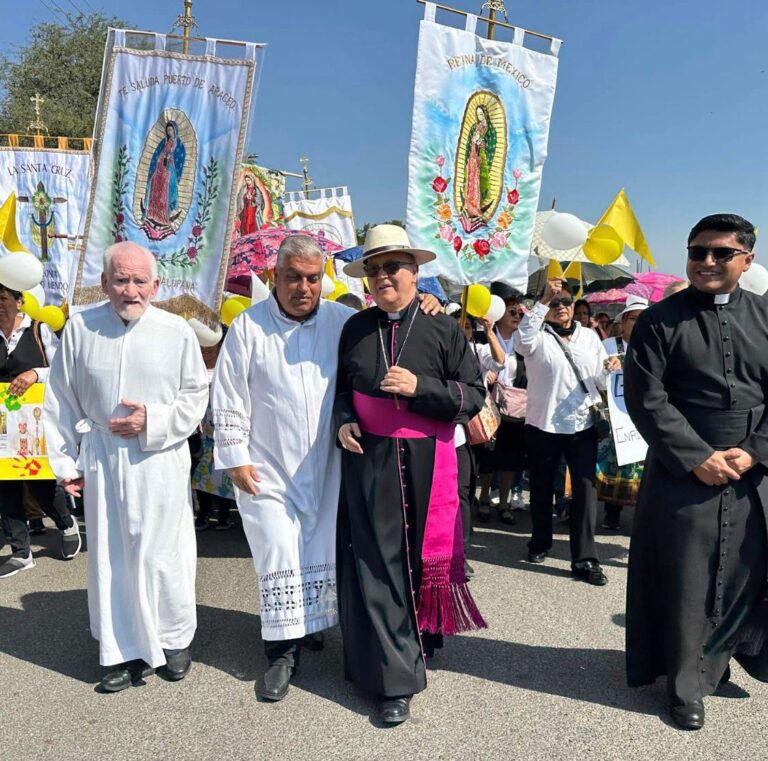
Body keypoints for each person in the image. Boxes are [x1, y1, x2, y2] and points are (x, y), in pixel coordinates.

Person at [212, 234, 441, 703]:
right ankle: (280, 652)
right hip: (268, 469)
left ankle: (312, 629)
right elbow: (229, 394)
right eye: (293, 277)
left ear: (324, 280)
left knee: (322, 554)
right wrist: (234, 455)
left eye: (313, 278)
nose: (303, 287)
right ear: (275, 277)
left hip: (330, 466)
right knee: (278, 551)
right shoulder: (249, 327)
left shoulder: (345, 322)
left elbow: (389, 332)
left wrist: (429, 303)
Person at [335, 224, 486, 724]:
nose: (383, 277)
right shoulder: (355, 328)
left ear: (415, 273)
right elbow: (340, 392)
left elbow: (473, 397)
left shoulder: (443, 328)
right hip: (371, 459)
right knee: (379, 564)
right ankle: (394, 678)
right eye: (374, 270)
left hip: (430, 460)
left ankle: (422, 634)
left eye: (393, 267)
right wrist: (344, 422)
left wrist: (422, 386)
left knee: (424, 559)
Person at [624, 213, 768, 730]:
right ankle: (684, 687)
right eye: (697, 251)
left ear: (746, 259)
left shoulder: (767, 315)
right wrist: (696, 457)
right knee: (687, 579)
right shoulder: (658, 321)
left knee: (742, 575)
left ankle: (717, 664)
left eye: (720, 253)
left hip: (753, 470)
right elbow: (646, 400)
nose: (706, 261)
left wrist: (755, 450)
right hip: (683, 469)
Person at [43, 241, 209, 692]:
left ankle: (173, 640)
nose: (130, 291)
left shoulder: (175, 331)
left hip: (158, 458)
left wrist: (150, 420)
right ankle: (119, 649)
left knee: (163, 552)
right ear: (104, 282)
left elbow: (195, 397)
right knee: (112, 556)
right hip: (103, 460)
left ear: (156, 285)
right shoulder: (80, 329)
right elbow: (59, 397)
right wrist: (65, 462)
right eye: (120, 280)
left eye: (139, 281)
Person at [514, 279, 620, 585]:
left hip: (582, 425)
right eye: (555, 302)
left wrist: (609, 367)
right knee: (542, 486)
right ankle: (540, 541)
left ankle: (585, 558)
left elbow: (599, 380)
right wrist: (543, 301)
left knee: (586, 491)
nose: (561, 307)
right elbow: (521, 341)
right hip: (543, 424)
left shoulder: (589, 337)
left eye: (566, 302)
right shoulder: (536, 335)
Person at [0, 281, 80, 578]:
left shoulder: (38, 329)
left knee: (38, 480)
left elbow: (63, 367)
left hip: (34, 419)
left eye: (3, 297)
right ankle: (20, 552)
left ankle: (66, 523)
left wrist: (36, 373)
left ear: (19, 301)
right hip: (2, 423)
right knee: (4, 485)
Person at [596, 295, 649, 531]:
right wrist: (608, 367)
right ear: (623, 321)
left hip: (642, 415)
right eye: (634, 319)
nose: (638, 324)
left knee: (641, 467)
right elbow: (595, 378)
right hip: (615, 415)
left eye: (642, 319)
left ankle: (641, 513)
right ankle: (612, 512)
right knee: (614, 465)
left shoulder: (652, 346)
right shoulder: (608, 346)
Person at [476, 294, 526, 524]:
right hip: (490, 404)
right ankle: (484, 497)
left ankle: (504, 502)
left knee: (510, 459)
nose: (517, 316)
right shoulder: (484, 339)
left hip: (515, 407)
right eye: (512, 312)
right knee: (488, 456)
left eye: (519, 313)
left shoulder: (523, 342)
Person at [141, 121, 186, 241]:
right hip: (160, 167)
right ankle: (152, 213)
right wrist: (160, 159)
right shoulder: (164, 142)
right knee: (154, 186)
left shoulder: (178, 143)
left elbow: (179, 157)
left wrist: (169, 157)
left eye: (171, 130)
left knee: (164, 191)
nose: (169, 132)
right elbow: (158, 154)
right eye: (168, 130)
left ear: (175, 130)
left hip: (169, 169)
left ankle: (163, 214)